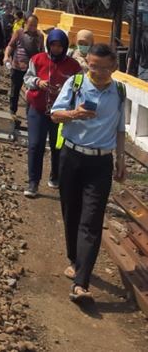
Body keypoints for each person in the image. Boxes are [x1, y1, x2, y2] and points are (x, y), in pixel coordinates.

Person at [51, 44, 127, 302]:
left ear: (114, 66)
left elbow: (120, 128)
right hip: (72, 157)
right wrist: (74, 114)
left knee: (92, 220)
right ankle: (74, 258)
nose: (99, 72)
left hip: (100, 163)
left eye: (105, 68)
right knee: (71, 213)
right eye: (94, 66)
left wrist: (121, 160)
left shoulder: (119, 90)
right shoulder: (75, 83)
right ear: (88, 63)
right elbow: (55, 115)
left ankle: (81, 283)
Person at [22, 29, 82, 197]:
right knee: (35, 145)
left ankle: (55, 175)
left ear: (64, 47)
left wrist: (67, 91)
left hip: (60, 114)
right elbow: (27, 78)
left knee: (58, 146)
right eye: (53, 45)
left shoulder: (73, 66)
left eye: (60, 46)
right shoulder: (38, 59)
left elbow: (80, 86)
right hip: (38, 109)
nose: (56, 49)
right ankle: (33, 183)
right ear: (48, 45)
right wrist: (38, 81)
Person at [4, 15, 44, 116]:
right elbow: (10, 45)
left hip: (32, 69)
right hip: (18, 66)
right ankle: (12, 111)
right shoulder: (19, 33)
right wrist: (6, 56)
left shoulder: (40, 36)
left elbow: (42, 51)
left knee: (32, 92)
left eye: (35, 25)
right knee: (15, 90)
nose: (33, 27)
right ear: (26, 23)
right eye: (31, 25)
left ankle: (30, 113)